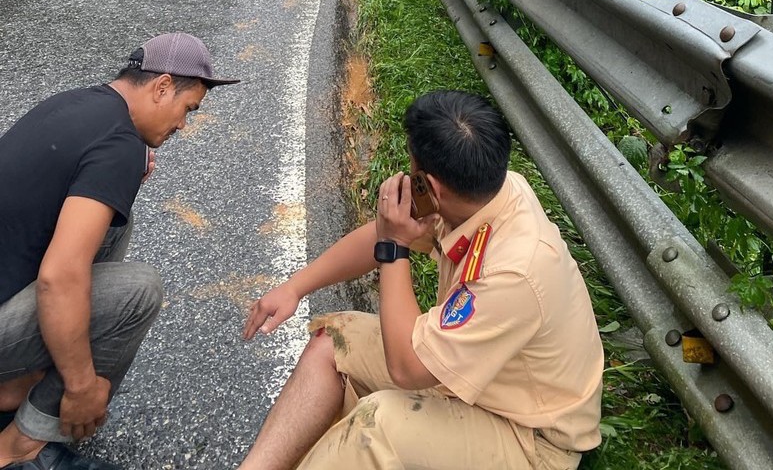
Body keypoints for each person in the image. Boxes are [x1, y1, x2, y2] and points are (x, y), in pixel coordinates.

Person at [238, 90, 604, 470]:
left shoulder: (515, 271)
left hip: (530, 437)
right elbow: (379, 235)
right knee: (335, 342)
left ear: (432, 186)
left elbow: (407, 368)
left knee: (378, 428)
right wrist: (294, 288)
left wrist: (396, 248)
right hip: (483, 382)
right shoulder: (485, 191)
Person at [0, 33, 239, 470]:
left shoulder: (79, 103)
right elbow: (60, 276)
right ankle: (23, 444)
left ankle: (19, 382)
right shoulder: (121, 144)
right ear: (162, 86)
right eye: (188, 109)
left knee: (112, 224)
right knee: (139, 291)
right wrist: (80, 385)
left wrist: (117, 185)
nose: (183, 126)